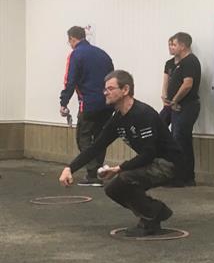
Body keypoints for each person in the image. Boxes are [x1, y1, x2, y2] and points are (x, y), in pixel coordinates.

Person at [58, 70, 182, 237]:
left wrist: (119, 168)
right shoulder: (118, 118)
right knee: (112, 188)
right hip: (153, 161)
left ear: (125, 90)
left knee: (125, 179)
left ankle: (151, 219)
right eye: (105, 89)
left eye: (110, 89)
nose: (105, 93)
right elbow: (96, 147)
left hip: (170, 164)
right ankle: (155, 211)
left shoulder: (142, 114)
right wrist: (70, 168)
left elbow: (149, 153)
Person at [59, 26, 114, 186]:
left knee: (83, 137)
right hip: (107, 103)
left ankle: (92, 173)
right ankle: (99, 171)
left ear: (72, 39)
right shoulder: (103, 54)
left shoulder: (76, 54)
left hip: (89, 104)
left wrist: (63, 102)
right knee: (100, 138)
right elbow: (113, 78)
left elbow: (70, 81)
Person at [161, 32, 201, 186]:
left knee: (180, 139)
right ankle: (166, 170)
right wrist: (166, 98)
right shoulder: (170, 63)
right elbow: (166, 82)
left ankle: (183, 176)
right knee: (158, 127)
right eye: (170, 44)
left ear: (183, 46)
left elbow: (187, 84)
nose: (171, 47)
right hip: (171, 105)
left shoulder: (190, 62)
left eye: (174, 44)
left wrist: (175, 100)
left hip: (186, 106)